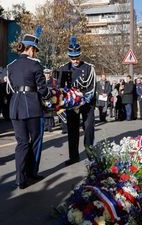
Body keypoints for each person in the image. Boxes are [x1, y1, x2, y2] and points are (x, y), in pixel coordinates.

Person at [6, 26, 51, 189]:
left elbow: (11, 87)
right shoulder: (35, 64)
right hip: (31, 106)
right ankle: (31, 172)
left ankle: (20, 178)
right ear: (31, 49)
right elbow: (43, 89)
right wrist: (50, 98)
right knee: (36, 140)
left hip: (15, 107)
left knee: (21, 143)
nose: (35, 53)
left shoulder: (11, 65)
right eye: (35, 50)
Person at [57, 36, 96, 165]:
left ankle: (90, 153)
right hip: (71, 105)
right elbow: (60, 88)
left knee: (89, 128)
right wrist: (62, 105)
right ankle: (73, 156)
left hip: (86, 103)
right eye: (72, 57)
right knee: (72, 130)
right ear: (69, 56)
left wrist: (82, 100)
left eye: (77, 57)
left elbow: (91, 88)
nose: (75, 60)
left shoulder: (89, 68)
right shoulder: (63, 68)